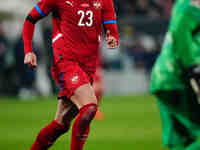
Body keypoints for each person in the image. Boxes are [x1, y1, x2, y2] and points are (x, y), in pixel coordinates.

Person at [22, 0, 119, 150]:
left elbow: (111, 29)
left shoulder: (105, 1)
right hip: (65, 61)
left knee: (61, 124)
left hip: (88, 66)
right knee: (90, 108)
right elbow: (30, 19)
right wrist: (28, 50)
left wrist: (113, 38)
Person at [150, 0, 200, 150]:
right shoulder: (190, 8)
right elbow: (181, 34)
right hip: (179, 79)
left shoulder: (183, 5)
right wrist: (194, 68)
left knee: (179, 141)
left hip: (164, 78)